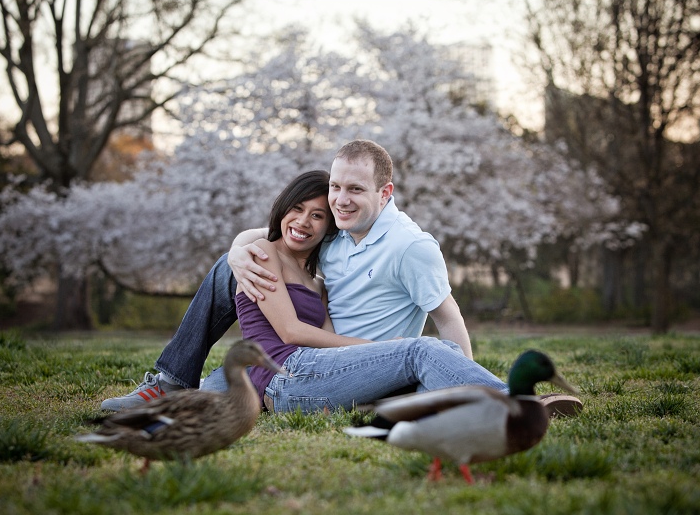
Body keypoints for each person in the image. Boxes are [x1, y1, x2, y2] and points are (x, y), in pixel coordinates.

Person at [100, 140, 579, 417]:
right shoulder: (332, 238)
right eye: (335, 188)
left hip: (359, 365)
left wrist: (454, 384)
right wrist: (237, 248)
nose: (339, 200)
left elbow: (449, 319)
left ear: (384, 192)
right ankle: (168, 382)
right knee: (228, 292)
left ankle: (502, 402)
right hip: (310, 365)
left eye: (354, 189)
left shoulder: (411, 246)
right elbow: (279, 236)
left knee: (433, 351)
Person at [198, 168, 507, 412]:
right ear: (283, 208)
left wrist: (379, 354)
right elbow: (291, 331)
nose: (304, 221)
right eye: (297, 209)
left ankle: (445, 407)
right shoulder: (261, 253)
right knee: (421, 350)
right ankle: (513, 401)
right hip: (283, 376)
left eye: (317, 215)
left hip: (309, 374)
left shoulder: (319, 281)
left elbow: (330, 343)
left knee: (444, 352)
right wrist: (380, 346)